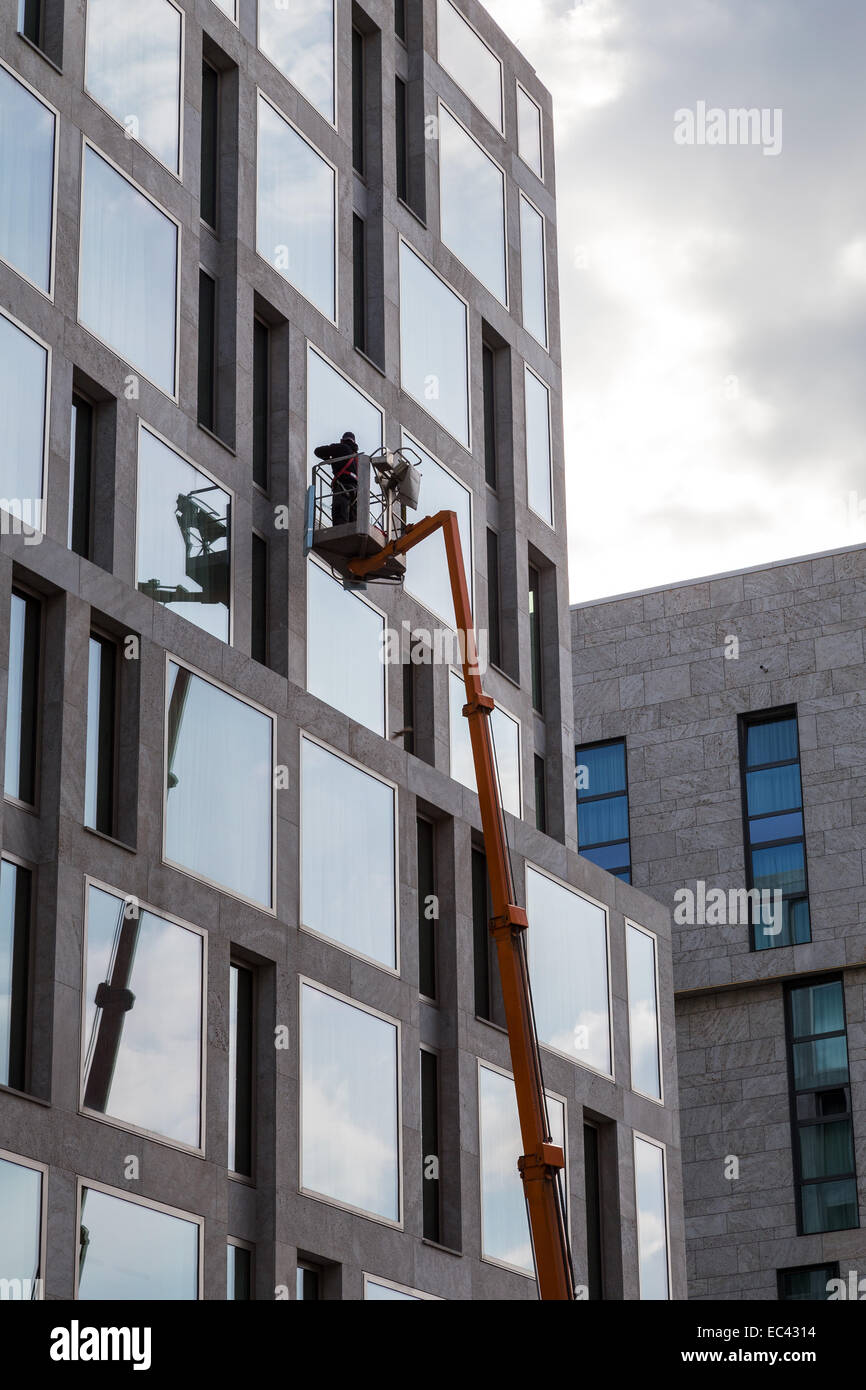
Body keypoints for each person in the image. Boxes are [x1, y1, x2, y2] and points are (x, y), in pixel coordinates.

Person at [314, 431, 358, 525]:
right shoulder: (358, 458)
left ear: (342, 440)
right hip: (357, 494)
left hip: (342, 488)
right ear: (354, 443)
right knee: (353, 526)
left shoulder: (340, 447)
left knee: (340, 521)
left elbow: (317, 451)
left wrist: (329, 459)